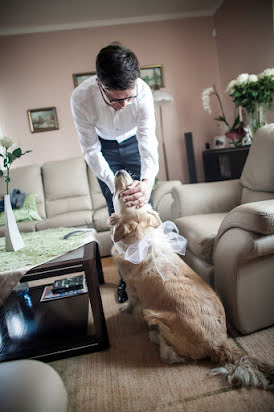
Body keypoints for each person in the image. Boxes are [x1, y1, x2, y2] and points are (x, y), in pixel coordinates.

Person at [71, 42, 159, 302]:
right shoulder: (81, 97)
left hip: (134, 143)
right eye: (115, 98)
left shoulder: (142, 92)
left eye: (128, 97)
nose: (123, 104)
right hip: (104, 147)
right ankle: (126, 280)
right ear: (99, 84)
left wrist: (147, 183)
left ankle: (154, 276)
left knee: (144, 208)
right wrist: (115, 187)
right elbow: (90, 150)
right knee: (118, 214)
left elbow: (148, 140)